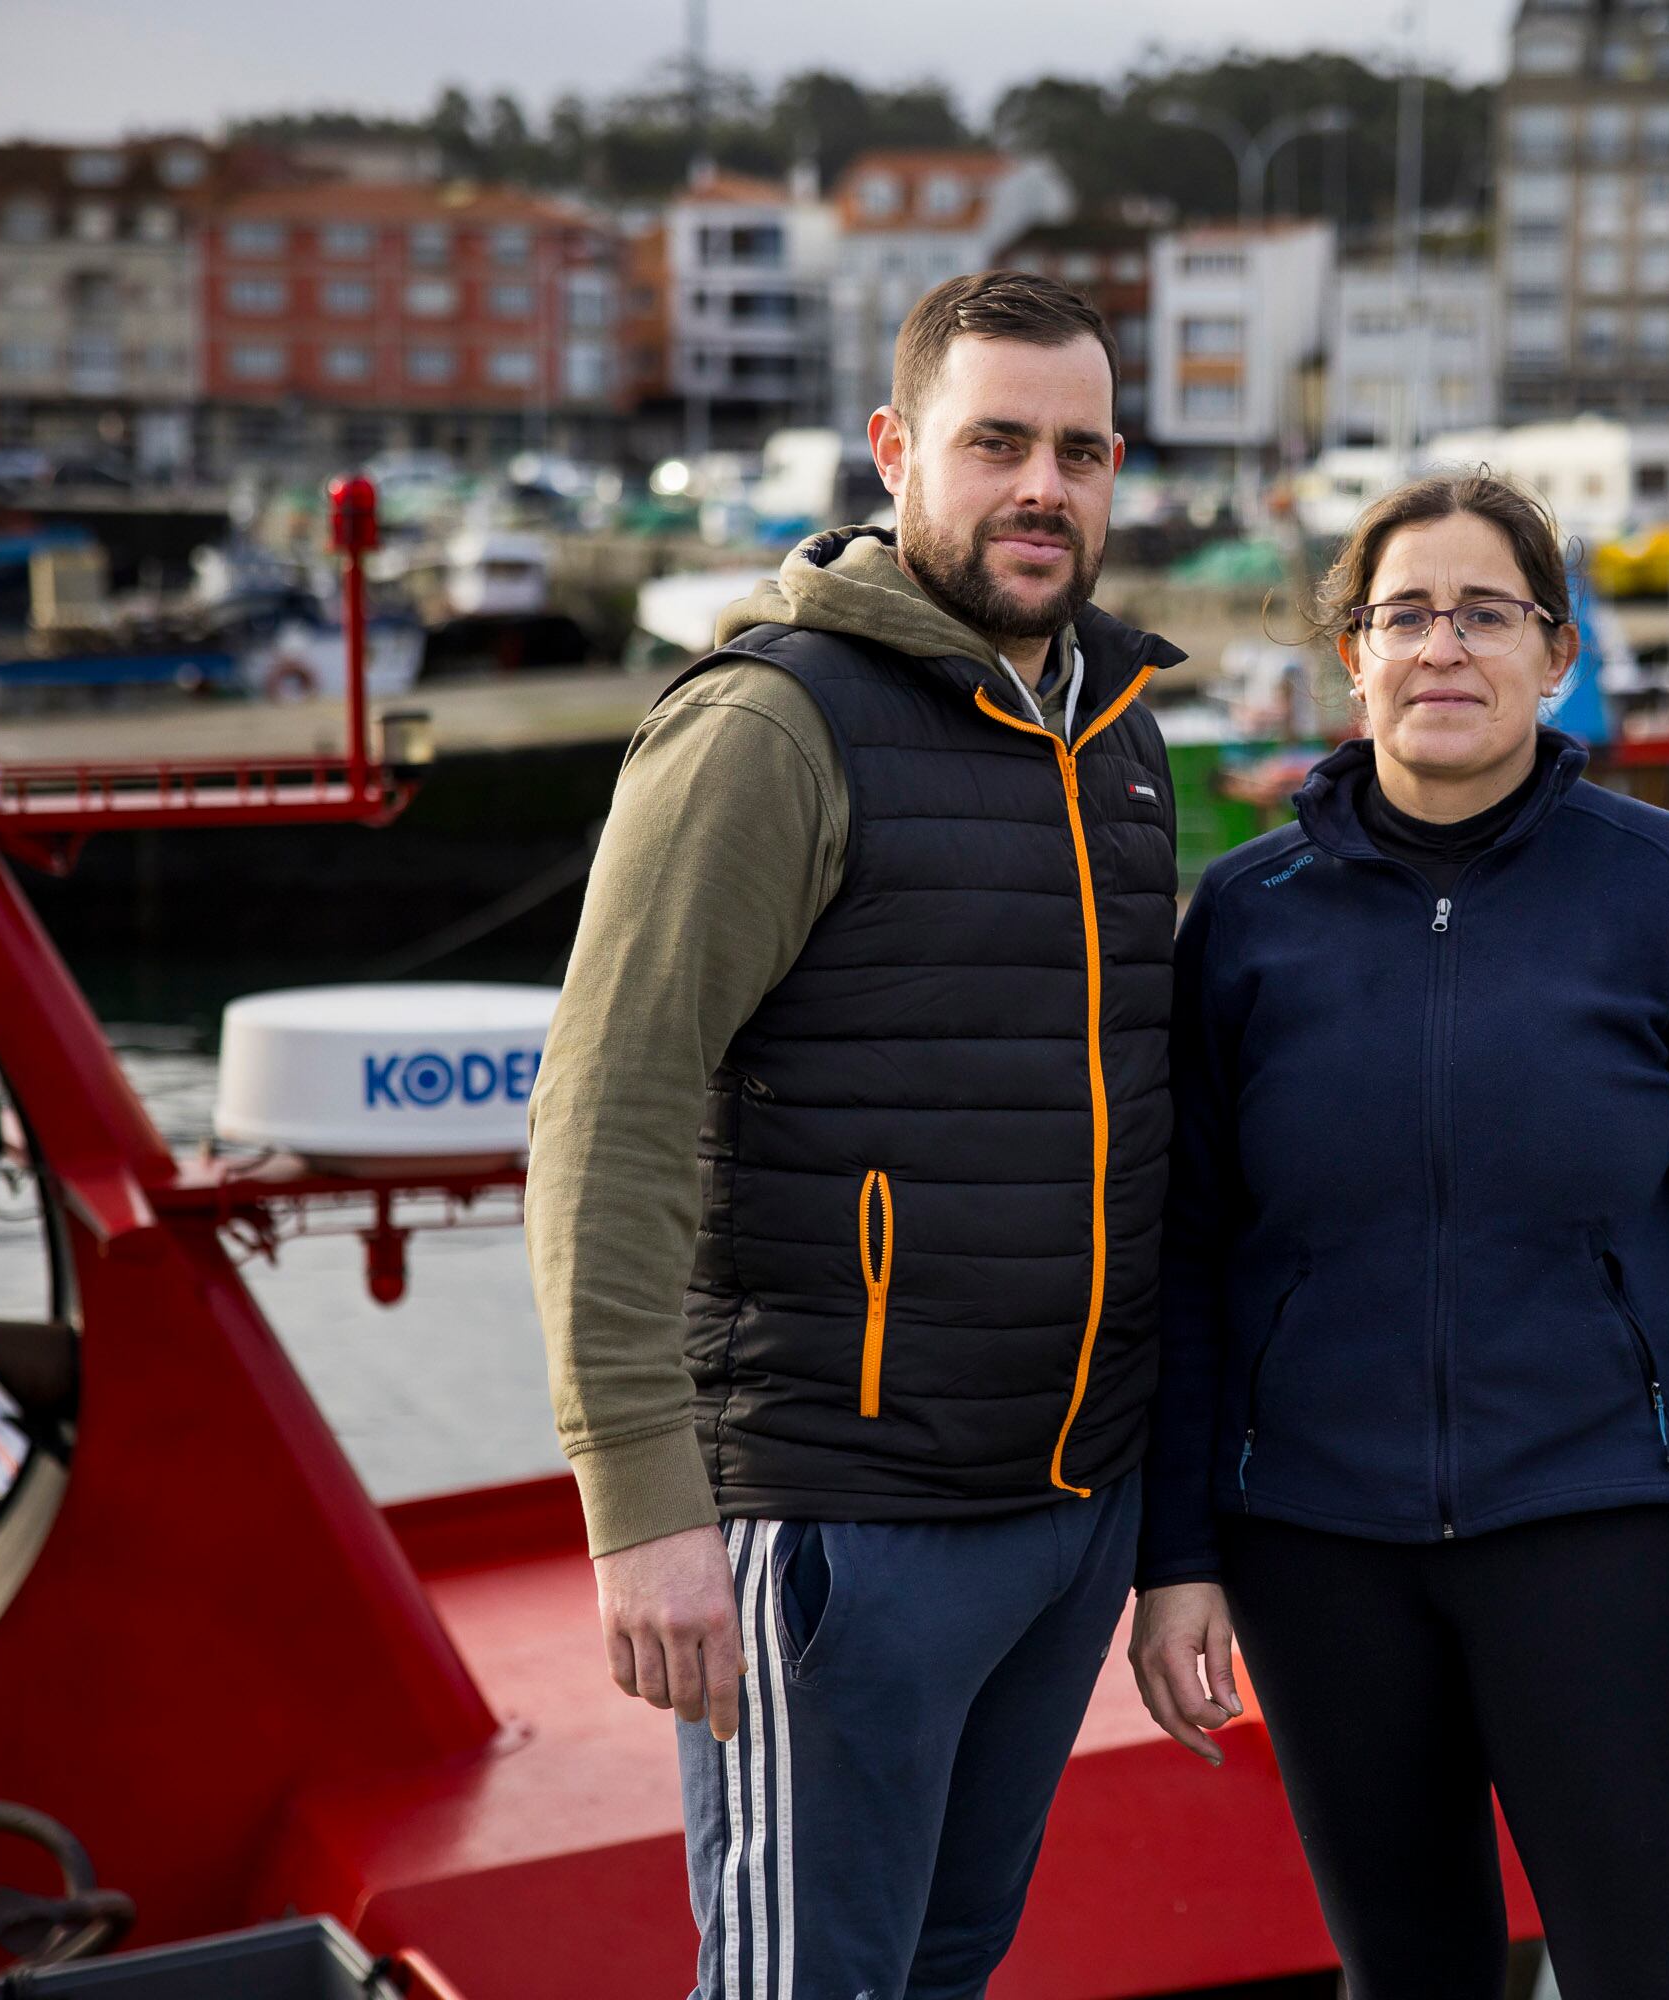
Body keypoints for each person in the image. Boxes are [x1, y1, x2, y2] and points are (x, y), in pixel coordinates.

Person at [526, 270, 1183, 2000]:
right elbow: (613, 1107)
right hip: (841, 1522)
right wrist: (640, 1505)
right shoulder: (770, 725)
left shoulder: (1118, 734)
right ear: (897, 451)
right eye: (997, 443)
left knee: (947, 1967)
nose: (1045, 486)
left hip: (1066, 1509)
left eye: (1082, 448)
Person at [1129, 472, 1669, 1998]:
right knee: (1410, 1980)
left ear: (1555, 651)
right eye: (1404, 617)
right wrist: (1176, 1552)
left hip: (1609, 1532)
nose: (1443, 648)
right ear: (1354, 657)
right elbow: (1186, 1255)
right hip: (1317, 1552)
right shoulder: (1247, 918)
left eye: (1485, 615)